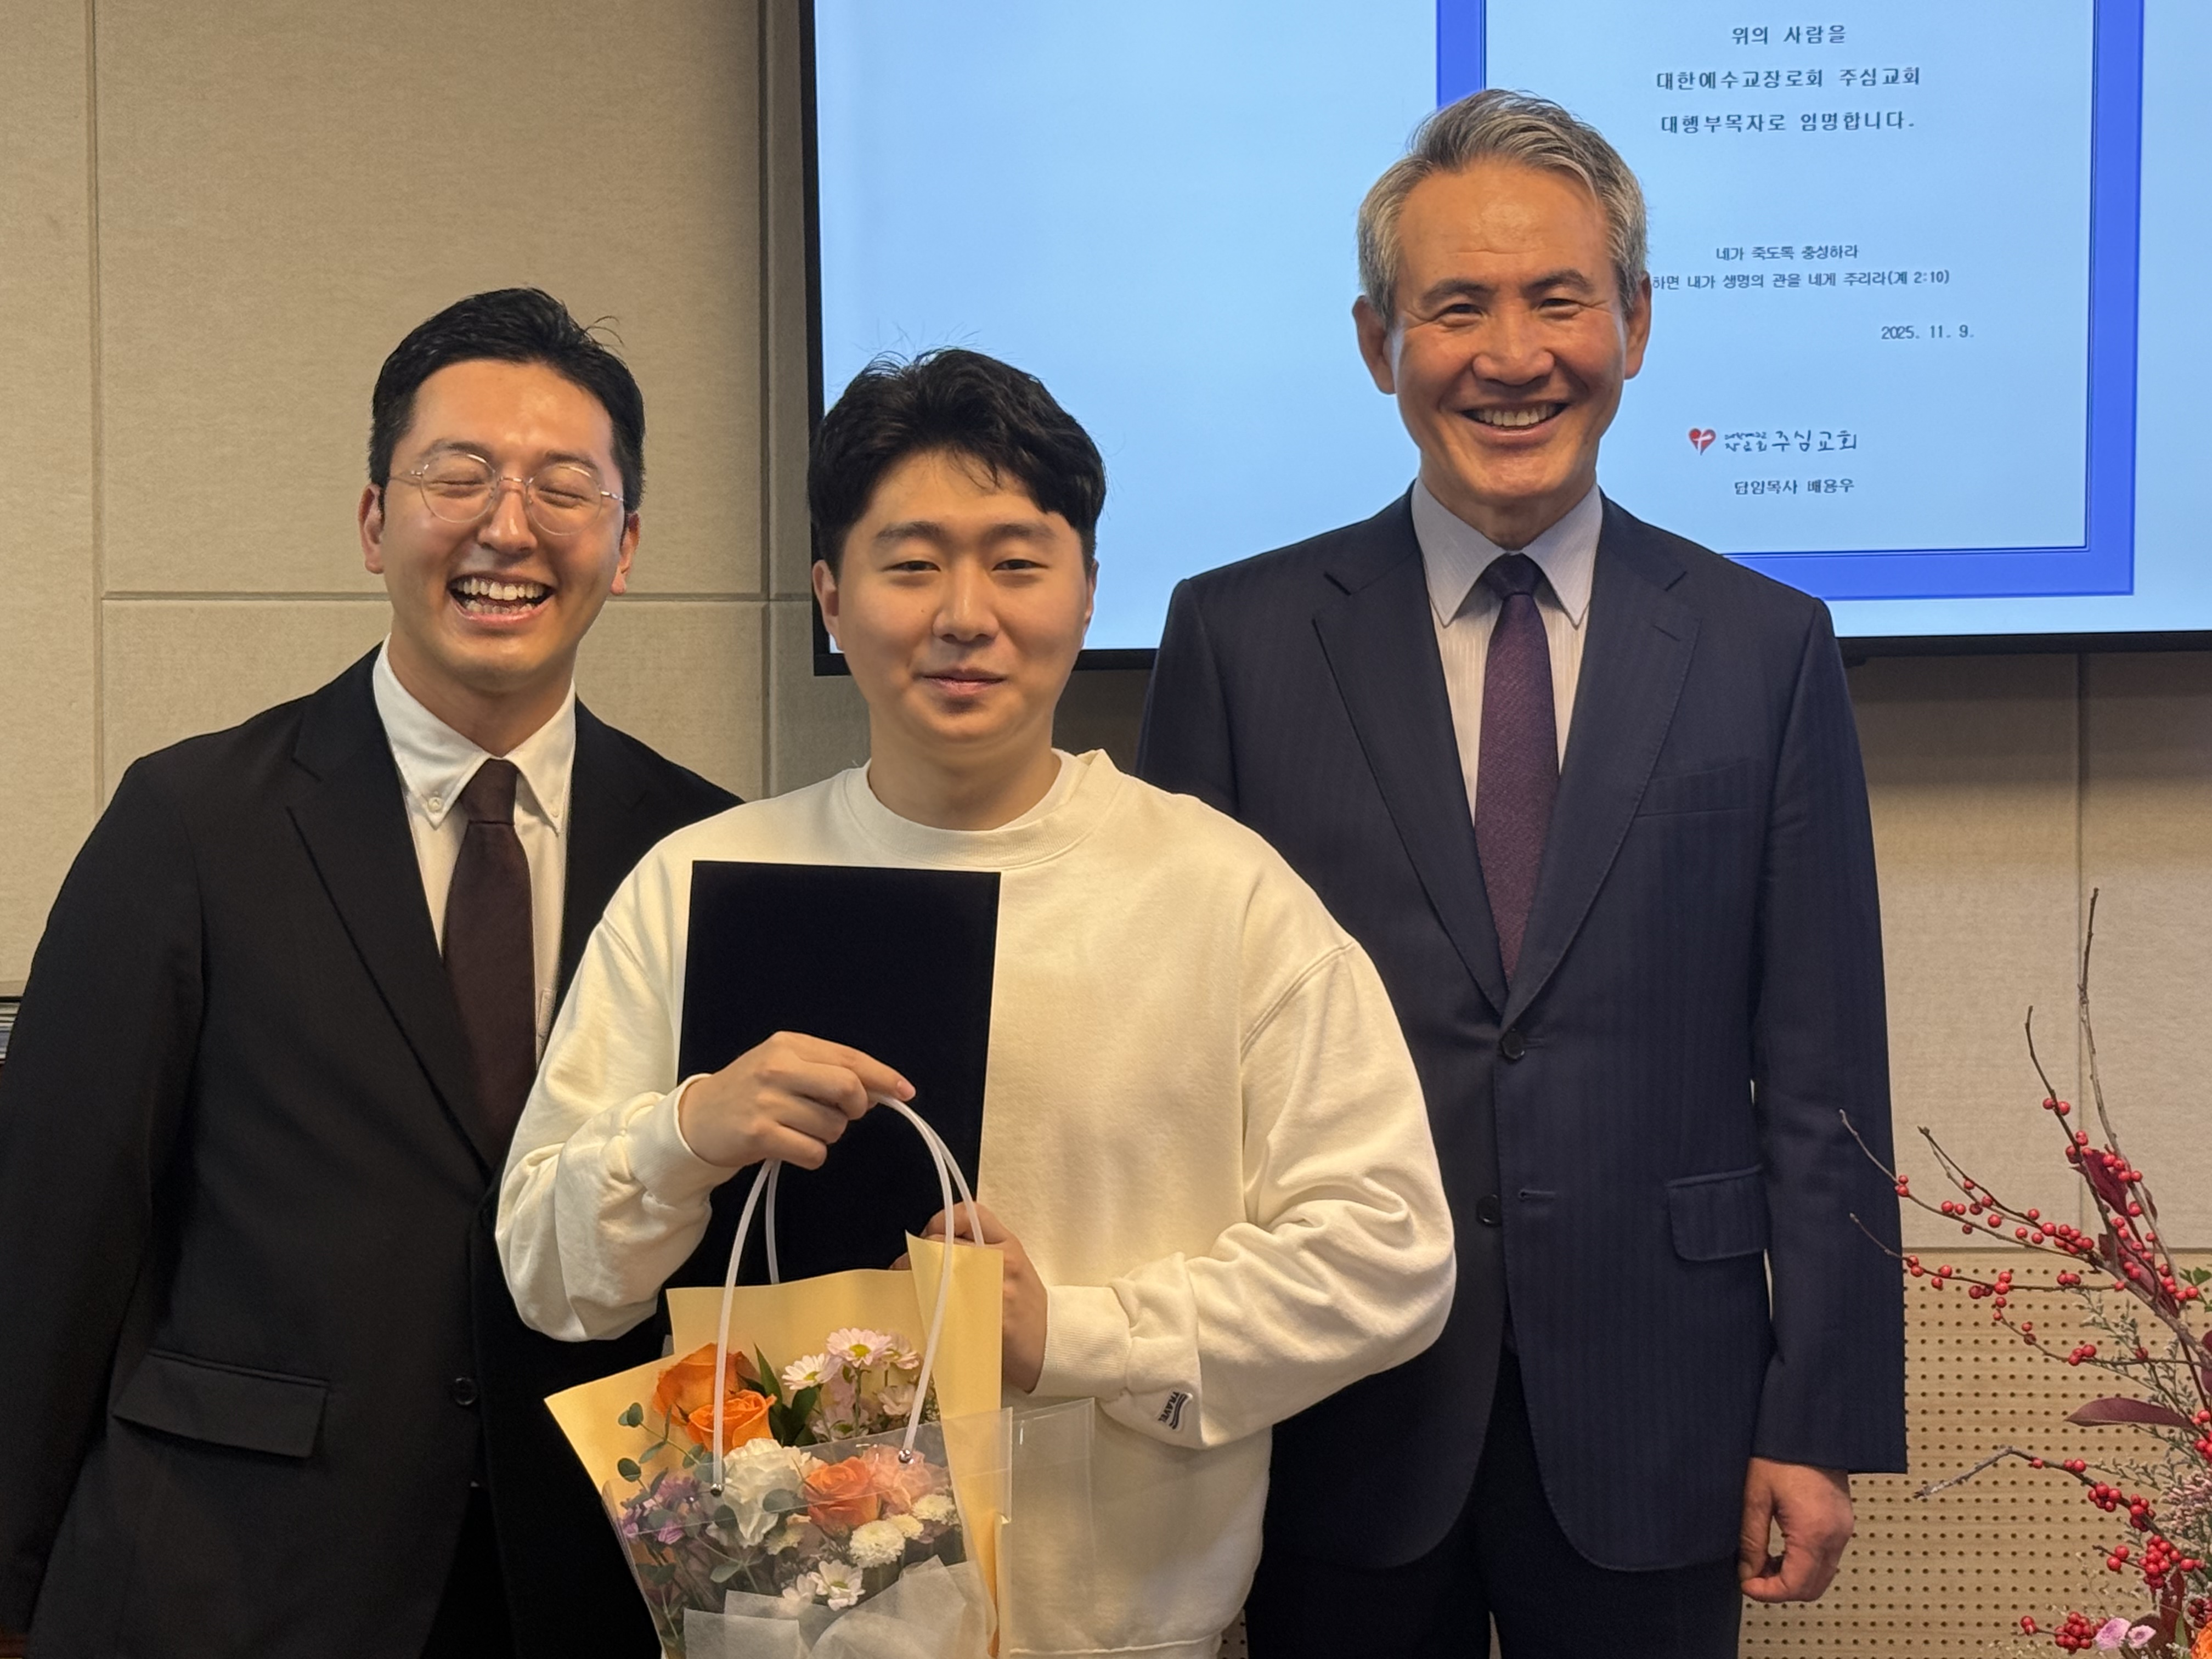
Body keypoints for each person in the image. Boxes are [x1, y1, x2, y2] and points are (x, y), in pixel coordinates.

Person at [496, 347, 1457, 1659]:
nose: (964, 614)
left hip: (1130, 1636)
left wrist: (1073, 1337)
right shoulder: (698, 884)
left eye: (1016, 562)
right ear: (831, 598)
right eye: (910, 564)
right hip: (782, 1630)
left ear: (1088, 590)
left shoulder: (1222, 893)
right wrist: (685, 1133)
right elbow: (548, 1280)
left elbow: (1391, 1259)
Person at [1136, 90, 1907, 1657]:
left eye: (1559, 299)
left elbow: (1825, 1076)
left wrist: (1818, 1415)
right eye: (1455, 308)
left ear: (1636, 322)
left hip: (1662, 1406)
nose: (1512, 355)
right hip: (1334, 1412)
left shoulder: (1765, 650)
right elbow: (1171, 1063)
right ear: (1378, 344)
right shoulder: (1237, 640)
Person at [0, 289, 735, 1657]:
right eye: (459, 476)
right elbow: (51, 1226)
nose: (507, 527)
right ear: (373, 521)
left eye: (563, 487)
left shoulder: (703, 849)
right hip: (235, 1574)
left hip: (584, 1576)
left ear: (626, 544)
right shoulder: (193, 821)